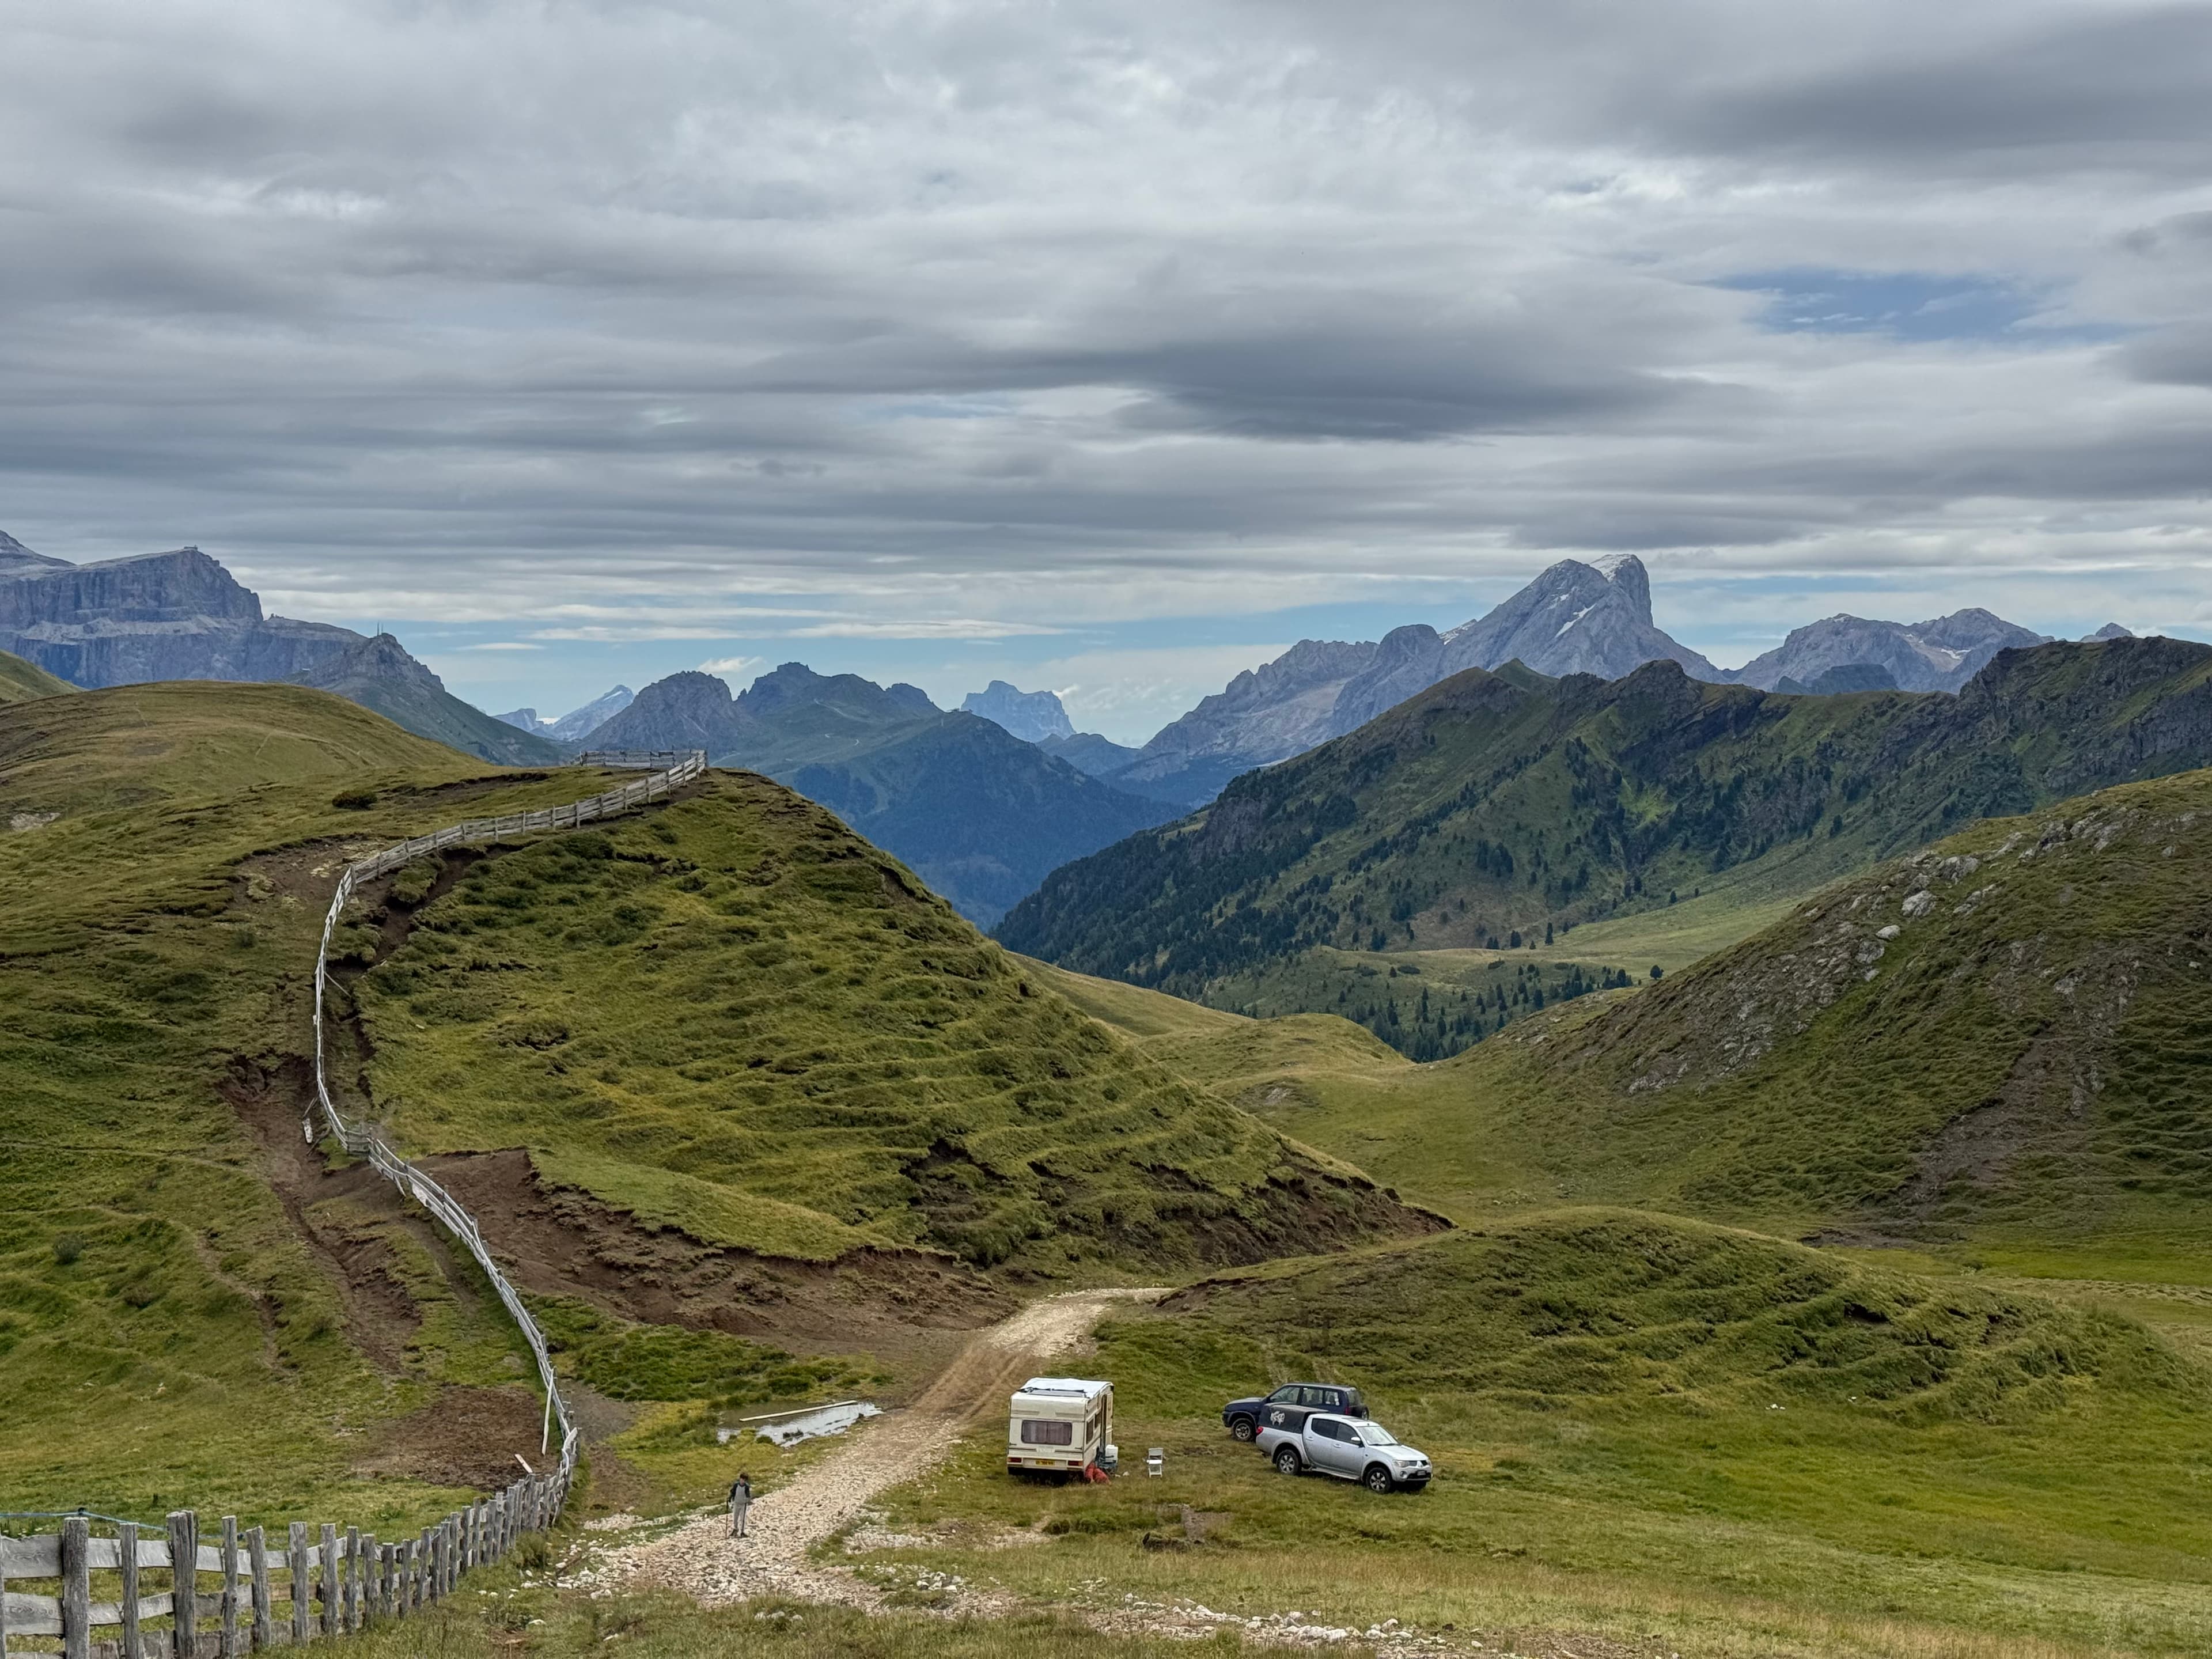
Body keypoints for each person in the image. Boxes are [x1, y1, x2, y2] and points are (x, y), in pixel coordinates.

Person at [728, 1472, 752, 1538]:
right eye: (742, 1479)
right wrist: (730, 1498)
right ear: (740, 1479)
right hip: (736, 1503)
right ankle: (735, 1529)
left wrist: (748, 1499)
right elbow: (733, 1493)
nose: (743, 1481)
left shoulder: (746, 1487)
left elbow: (748, 1495)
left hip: (743, 1504)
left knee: (743, 1518)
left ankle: (742, 1531)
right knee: (735, 1517)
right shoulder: (736, 1485)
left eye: (745, 1480)